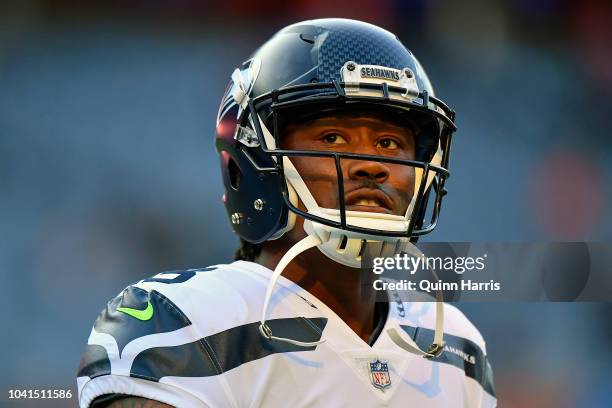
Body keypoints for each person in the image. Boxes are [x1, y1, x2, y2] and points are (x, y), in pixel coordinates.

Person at [77, 18, 496, 407]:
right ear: (255, 164)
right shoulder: (181, 328)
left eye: (389, 143)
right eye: (333, 137)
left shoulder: (457, 349)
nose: (372, 163)